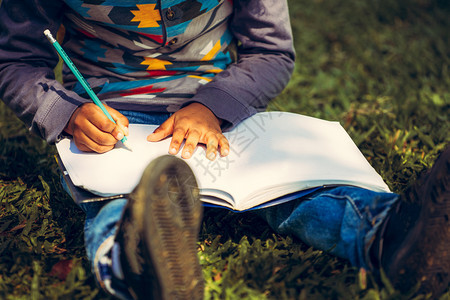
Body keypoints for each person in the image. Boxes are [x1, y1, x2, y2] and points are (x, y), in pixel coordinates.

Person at [0, 0, 448, 299]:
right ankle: (137, 264)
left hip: (223, 110)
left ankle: (394, 236)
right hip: (113, 123)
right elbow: (15, 59)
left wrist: (210, 106)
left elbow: (271, 51)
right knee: (118, 197)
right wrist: (66, 113)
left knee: (300, 184)